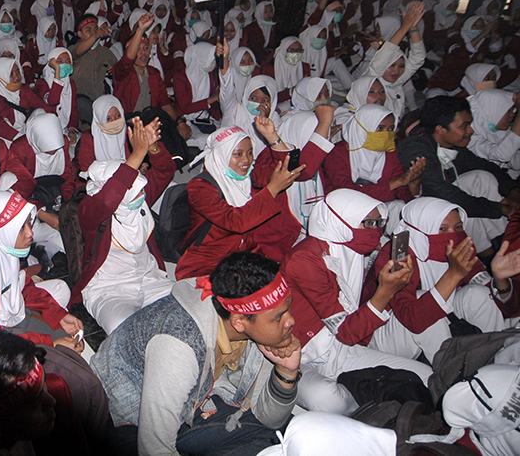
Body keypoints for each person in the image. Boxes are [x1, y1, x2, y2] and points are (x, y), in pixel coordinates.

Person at [92, 251, 300, 456]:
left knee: (294, 432)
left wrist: (286, 371)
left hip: (199, 396)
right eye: (278, 317)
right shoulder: (178, 346)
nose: (290, 321)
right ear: (238, 321)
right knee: (264, 445)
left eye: (288, 309)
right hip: (126, 412)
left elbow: (271, 419)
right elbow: (154, 449)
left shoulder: (256, 331)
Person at [281, 189, 433, 415]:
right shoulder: (305, 258)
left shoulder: (352, 252)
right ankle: (368, 416)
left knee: (427, 377)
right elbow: (345, 331)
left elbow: (350, 332)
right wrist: (386, 290)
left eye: (379, 223)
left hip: (342, 349)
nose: (376, 230)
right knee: (330, 399)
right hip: (301, 354)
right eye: (368, 223)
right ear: (341, 221)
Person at [365, 197, 520, 364]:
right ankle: (450, 374)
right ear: (422, 228)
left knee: (478, 294)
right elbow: (413, 319)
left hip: (437, 321)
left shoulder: (461, 244)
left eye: (458, 227)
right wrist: (454, 274)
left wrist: (499, 278)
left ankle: (502, 357)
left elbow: (504, 307)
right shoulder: (396, 255)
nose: (453, 235)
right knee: (422, 301)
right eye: (442, 228)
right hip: (385, 333)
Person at [71, 117, 176, 334]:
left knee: (188, 310)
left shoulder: (140, 199)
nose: (140, 193)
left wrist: (151, 145)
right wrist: (137, 153)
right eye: (132, 188)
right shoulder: (91, 210)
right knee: (126, 331)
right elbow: (109, 200)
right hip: (110, 289)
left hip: (149, 279)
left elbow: (166, 170)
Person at [0, 191, 81, 343]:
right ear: (4, 230)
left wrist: (59, 315)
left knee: (61, 289)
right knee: (58, 349)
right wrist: (52, 343)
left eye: (29, 223)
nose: (30, 232)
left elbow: (21, 286)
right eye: (21, 228)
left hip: (1, 315)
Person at [174, 123, 300, 279]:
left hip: (245, 255)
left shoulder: (248, 175)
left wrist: (272, 136)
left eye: (250, 152)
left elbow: (285, 169)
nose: (246, 160)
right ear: (222, 154)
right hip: (209, 260)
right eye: (238, 154)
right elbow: (235, 221)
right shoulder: (200, 187)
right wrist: (272, 189)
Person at [398, 96, 520, 258]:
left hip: (446, 204)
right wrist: (500, 208)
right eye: (465, 125)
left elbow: (489, 167)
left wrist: (514, 192)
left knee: (481, 178)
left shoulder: (452, 146)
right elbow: (442, 193)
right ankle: (488, 255)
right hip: (421, 214)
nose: (471, 130)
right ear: (441, 129)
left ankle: (505, 242)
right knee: (463, 202)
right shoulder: (416, 148)